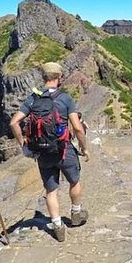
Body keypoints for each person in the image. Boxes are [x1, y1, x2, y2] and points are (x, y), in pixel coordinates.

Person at [9, 61, 90, 242]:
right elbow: (77, 128)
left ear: (44, 77)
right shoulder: (65, 98)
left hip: (43, 153)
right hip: (64, 149)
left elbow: (14, 122)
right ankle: (76, 214)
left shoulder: (33, 98)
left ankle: (57, 225)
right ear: (59, 77)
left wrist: (24, 145)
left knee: (51, 190)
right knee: (74, 181)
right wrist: (84, 148)